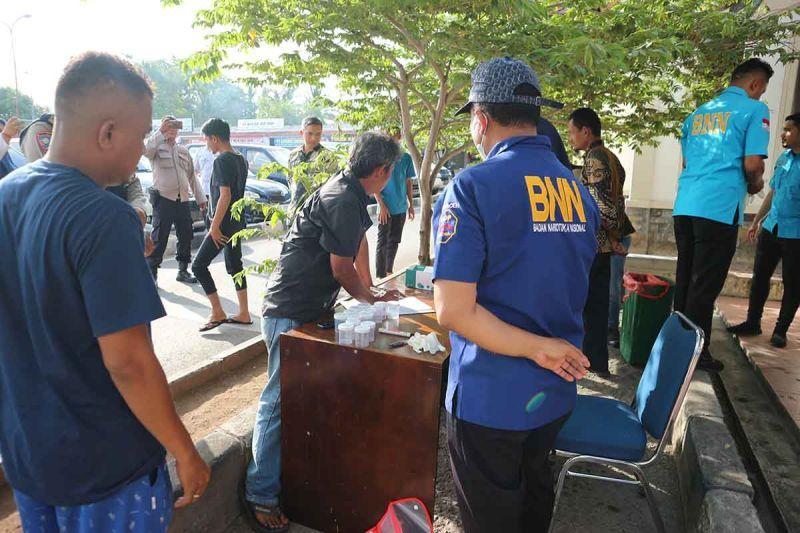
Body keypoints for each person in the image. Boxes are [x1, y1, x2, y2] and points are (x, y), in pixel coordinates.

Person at [0, 51, 209, 533]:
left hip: (30, 461)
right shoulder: (104, 217)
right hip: (107, 472)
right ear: (107, 133)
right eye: (139, 137)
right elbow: (128, 362)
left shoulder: (7, 196)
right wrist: (184, 451)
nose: (142, 150)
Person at [432, 57, 597, 533]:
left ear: (481, 119)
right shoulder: (577, 191)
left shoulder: (472, 187)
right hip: (554, 393)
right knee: (533, 494)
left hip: (491, 397)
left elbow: (453, 310)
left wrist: (535, 348)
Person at [245, 133, 403, 532]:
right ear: (382, 171)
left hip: (310, 309)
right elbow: (340, 267)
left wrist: (372, 290)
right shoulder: (343, 197)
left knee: (305, 401)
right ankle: (260, 493)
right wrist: (369, 299)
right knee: (277, 403)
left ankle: (303, 484)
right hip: (289, 310)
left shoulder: (348, 192)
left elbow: (356, 246)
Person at [674, 58, 772, 372]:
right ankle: (696, 355)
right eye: (761, 90)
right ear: (755, 84)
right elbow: (752, 164)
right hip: (718, 207)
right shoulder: (755, 110)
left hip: (686, 205)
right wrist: (757, 184)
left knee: (686, 279)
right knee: (705, 284)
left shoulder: (698, 113)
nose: (759, 96)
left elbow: (687, 164)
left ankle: (677, 346)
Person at [727, 113, 800, 348]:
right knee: (760, 277)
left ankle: (780, 330)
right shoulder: (783, 159)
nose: (783, 134)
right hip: (772, 227)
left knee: (793, 283)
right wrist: (757, 221)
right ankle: (752, 321)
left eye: (788, 130)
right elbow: (774, 193)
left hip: (796, 233)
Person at [567, 107, 628, 376]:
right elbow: (616, 203)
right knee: (597, 307)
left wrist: (611, 236)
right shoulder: (610, 157)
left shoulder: (594, 160)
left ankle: (589, 364)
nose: (570, 138)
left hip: (594, 245)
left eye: (572, 132)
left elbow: (601, 208)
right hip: (605, 243)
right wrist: (615, 238)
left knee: (587, 309)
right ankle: (597, 363)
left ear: (586, 131)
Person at [191, 118, 252, 332]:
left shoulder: (221, 160)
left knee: (198, 266)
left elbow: (224, 196)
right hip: (237, 222)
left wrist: (214, 227)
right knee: (236, 266)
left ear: (215, 138)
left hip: (224, 224)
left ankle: (217, 311)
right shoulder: (240, 159)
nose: (207, 145)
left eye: (207, 140)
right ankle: (244, 312)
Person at [145, 115, 207, 283]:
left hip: (183, 200)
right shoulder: (156, 147)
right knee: (160, 238)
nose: (172, 130)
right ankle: (152, 275)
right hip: (163, 200)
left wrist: (201, 199)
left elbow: (192, 177)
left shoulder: (183, 150)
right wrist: (160, 132)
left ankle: (183, 270)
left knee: (186, 235)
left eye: (175, 127)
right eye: (169, 126)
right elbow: (146, 150)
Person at [374, 130, 416, 278]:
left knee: (394, 241)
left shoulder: (406, 158)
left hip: (401, 207)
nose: (394, 140)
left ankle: (389, 270)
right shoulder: (381, 158)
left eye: (396, 137)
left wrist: (410, 204)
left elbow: (408, 181)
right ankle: (380, 276)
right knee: (383, 242)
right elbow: (374, 184)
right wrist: (382, 205)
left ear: (400, 138)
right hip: (386, 208)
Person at [287, 116, 330, 207]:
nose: (314, 138)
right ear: (301, 132)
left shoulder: (327, 157)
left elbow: (331, 186)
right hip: (295, 209)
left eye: (318, 134)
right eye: (310, 133)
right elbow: (290, 180)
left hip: (317, 210)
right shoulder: (293, 155)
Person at [193, 144, 217, 230]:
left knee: (216, 217)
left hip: (217, 191)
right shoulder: (200, 151)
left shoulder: (219, 151)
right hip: (205, 190)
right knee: (206, 216)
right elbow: (194, 171)